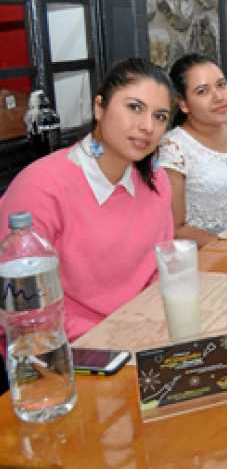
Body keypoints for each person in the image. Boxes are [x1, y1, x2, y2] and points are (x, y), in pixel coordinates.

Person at [0, 58, 174, 341]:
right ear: (99, 107)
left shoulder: (156, 181)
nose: (147, 126)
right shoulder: (40, 187)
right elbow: (22, 309)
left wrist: (146, 328)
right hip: (61, 349)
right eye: (134, 107)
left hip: (141, 334)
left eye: (160, 116)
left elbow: (159, 271)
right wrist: (114, 337)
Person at [160, 54, 227, 246]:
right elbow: (175, 228)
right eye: (202, 91)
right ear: (183, 104)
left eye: (221, 85)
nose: (218, 97)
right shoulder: (173, 149)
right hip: (208, 256)